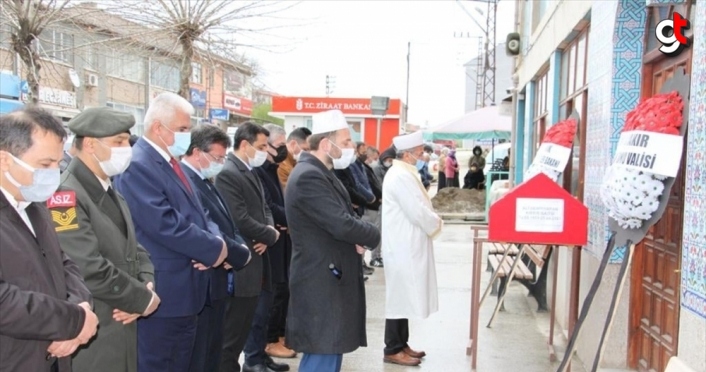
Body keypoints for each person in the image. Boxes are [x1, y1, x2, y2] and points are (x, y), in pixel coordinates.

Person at [113, 92, 229, 372]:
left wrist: (215, 242)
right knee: (159, 363)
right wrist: (214, 250)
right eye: (182, 129)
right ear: (157, 128)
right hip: (166, 290)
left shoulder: (171, 163)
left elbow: (202, 215)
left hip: (187, 289)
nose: (187, 136)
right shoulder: (138, 165)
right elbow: (165, 224)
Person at [53, 108, 160, 372]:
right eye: (119, 142)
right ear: (90, 144)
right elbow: (86, 266)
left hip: (120, 320)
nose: (127, 148)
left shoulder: (107, 187)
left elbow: (135, 248)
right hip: (96, 325)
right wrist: (141, 301)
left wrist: (146, 285)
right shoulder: (65, 195)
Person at [0, 107, 98, 372]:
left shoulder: (34, 204)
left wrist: (80, 306)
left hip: (54, 358)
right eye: (45, 165)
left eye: (58, 162)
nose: (54, 172)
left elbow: (65, 264)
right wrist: (73, 321)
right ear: (5, 160)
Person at [285, 110, 380, 372]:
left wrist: (355, 239)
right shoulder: (308, 176)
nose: (350, 148)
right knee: (322, 354)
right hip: (320, 280)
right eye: (346, 142)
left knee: (330, 350)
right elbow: (342, 223)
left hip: (330, 276)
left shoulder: (322, 172)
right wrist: (372, 235)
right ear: (327, 144)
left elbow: (341, 218)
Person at [180, 124, 252, 372]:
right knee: (201, 358)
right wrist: (236, 253)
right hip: (203, 283)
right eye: (217, 157)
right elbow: (205, 228)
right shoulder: (186, 181)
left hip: (218, 280)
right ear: (198, 152)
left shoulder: (206, 180)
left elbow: (229, 226)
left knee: (213, 353)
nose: (221, 163)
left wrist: (239, 248)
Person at [215, 122, 282, 372]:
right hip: (243, 259)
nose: (266, 151)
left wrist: (269, 232)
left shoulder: (250, 170)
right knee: (233, 334)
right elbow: (238, 218)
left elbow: (265, 208)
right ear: (244, 144)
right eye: (262, 146)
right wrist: (269, 233)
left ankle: (256, 358)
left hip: (259, 253)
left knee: (258, 315)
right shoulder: (228, 172)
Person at [381, 131, 443, 366]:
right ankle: (392, 348)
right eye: (418, 153)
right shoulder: (399, 176)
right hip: (402, 245)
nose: (422, 156)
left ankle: (401, 344)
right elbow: (416, 211)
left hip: (407, 243)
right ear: (406, 155)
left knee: (405, 296)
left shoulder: (405, 172)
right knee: (398, 297)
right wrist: (436, 222)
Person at [253, 124, 298, 366]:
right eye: (278, 146)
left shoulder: (271, 167)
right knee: (271, 296)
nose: (282, 151)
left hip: (280, 237)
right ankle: (268, 342)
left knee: (281, 290)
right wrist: (288, 219)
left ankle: (271, 341)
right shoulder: (259, 170)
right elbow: (267, 206)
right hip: (270, 240)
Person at [358, 143, 383, 269]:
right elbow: (367, 186)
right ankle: (362, 262)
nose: (374, 160)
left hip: (374, 204)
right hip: (369, 205)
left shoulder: (367, 168)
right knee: (365, 235)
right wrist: (374, 198)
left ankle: (369, 260)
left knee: (375, 232)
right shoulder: (361, 168)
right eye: (373, 157)